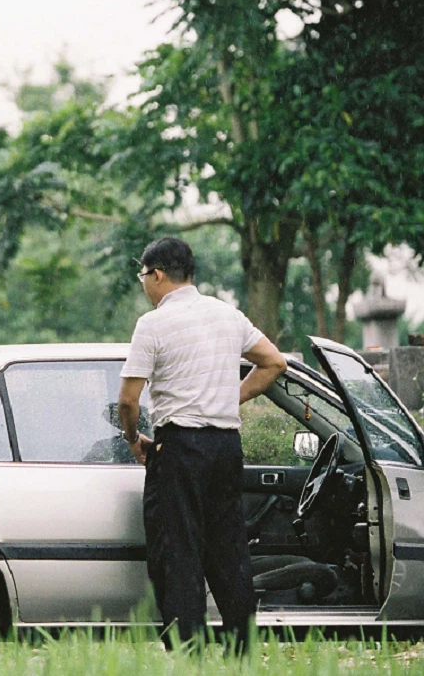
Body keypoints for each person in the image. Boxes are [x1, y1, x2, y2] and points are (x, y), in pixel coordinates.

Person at [117, 237, 286, 654]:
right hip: (226, 447)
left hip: (179, 448)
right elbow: (274, 362)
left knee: (177, 549)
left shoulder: (153, 324)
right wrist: (233, 397)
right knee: (229, 547)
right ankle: (241, 649)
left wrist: (132, 438)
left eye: (143, 276)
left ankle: (187, 651)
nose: (144, 284)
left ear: (156, 274)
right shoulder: (227, 315)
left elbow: (128, 400)